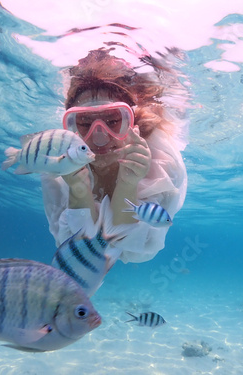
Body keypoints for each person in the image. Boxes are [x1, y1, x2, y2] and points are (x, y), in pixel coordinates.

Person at [42, 48, 188, 264]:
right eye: (84, 123)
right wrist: (78, 191)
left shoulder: (160, 159)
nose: (99, 138)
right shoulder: (57, 168)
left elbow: (137, 251)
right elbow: (80, 256)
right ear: (70, 129)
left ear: (133, 122)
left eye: (112, 121)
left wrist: (128, 183)